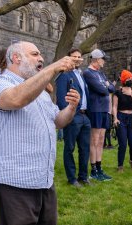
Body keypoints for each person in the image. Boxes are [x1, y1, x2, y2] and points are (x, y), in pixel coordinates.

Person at [0, 41, 80, 225]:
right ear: (16, 58)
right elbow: (16, 99)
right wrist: (53, 68)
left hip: (43, 181)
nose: (41, 59)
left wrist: (72, 108)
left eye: (41, 56)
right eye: (35, 54)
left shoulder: (40, 92)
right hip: (13, 181)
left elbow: (57, 121)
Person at [56, 48, 91, 187]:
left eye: (79, 56)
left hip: (85, 116)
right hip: (73, 116)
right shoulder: (65, 74)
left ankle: (83, 177)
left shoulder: (81, 75)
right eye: (74, 56)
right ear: (69, 58)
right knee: (69, 148)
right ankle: (72, 179)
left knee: (85, 148)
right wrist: (68, 114)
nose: (77, 58)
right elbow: (60, 98)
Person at [83, 48, 115, 181]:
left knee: (101, 139)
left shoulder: (101, 74)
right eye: (103, 59)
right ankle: (93, 169)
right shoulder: (88, 73)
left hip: (104, 110)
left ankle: (100, 168)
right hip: (95, 109)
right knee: (94, 140)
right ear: (96, 60)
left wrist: (108, 87)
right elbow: (103, 90)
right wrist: (107, 87)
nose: (104, 62)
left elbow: (112, 89)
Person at [112, 70, 132, 172]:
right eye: (128, 78)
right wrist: (115, 118)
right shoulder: (117, 93)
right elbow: (114, 106)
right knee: (122, 144)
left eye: (131, 78)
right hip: (121, 117)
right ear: (123, 80)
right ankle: (120, 166)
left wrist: (131, 93)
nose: (130, 80)